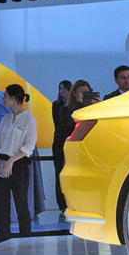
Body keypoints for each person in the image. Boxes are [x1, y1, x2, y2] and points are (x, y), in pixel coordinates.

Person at [0, 84, 37, 240]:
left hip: (18, 165)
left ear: (13, 98)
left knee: (21, 204)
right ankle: (4, 239)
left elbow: (28, 146)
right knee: (2, 206)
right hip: (1, 163)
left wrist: (12, 160)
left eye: (5, 95)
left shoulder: (29, 119)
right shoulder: (5, 119)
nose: (3, 98)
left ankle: (26, 239)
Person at [55, 80, 100, 213]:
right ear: (74, 93)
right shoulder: (65, 110)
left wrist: (99, 107)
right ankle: (68, 205)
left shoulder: (94, 110)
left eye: (87, 92)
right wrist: (80, 104)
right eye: (81, 92)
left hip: (89, 149)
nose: (84, 95)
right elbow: (71, 125)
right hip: (71, 150)